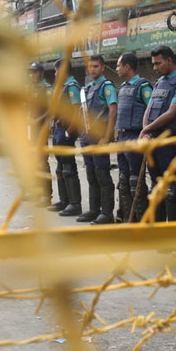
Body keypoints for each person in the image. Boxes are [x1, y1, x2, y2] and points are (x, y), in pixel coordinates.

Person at [140, 45, 176, 222]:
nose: (154, 68)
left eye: (158, 63)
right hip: (154, 139)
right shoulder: (159, 82)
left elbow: (172, 113)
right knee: (156, 187)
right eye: (153, 64)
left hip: (170, 142)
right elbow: (149, 109)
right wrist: (146, 130)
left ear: (169, 60)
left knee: (171, 190)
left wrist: (147, 129)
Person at [76, 55, 118, 225]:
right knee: (91, 174)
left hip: (100, 138)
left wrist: (106, 137)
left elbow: (112, 111)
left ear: (102, 68)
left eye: (95, 66)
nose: (91, 69)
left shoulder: (107, 86)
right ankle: (94, 210)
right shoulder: (88, 88)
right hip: (87, 137)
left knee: (102, 175)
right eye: (89, 67)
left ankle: (107, 213)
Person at [115, 52, 152, 222]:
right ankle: (128, 220)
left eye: (118, 65)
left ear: (127, 66)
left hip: (135, 136)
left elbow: (152, 109)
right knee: (123, 181)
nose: (116, 68)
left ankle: (141, 221)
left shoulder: (142, 86)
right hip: (122, 136)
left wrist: (146, 133)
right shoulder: (123, 86)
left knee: (135, 181)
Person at [50, 58, 83, 216]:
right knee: (60, 167)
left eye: (57, 70)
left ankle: (75, 204)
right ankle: (64, 201)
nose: (55, 74)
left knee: (69, 168)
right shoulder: (61, 87)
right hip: (58, 129)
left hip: (66, 130)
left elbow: (77, 110)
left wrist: (70, 130)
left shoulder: (72, 86)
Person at [29, 61, 53, 206]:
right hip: (31, 130)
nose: (32, 75)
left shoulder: (47, 88)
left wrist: (37, 119)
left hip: (41, 130)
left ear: (42, 73)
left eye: (35, 72)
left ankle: (47, 195)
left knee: (42, 162)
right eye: (31, 72)